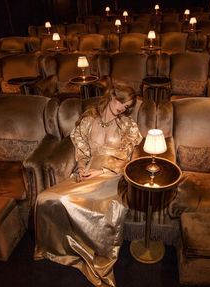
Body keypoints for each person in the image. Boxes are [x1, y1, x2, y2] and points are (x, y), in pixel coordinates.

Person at [34, 80, 142, 287]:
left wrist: (101, 170)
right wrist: (83, 167)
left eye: (127, 106)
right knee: (45, 198)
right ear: (111, 95)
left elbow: (128, 158)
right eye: (121, 102)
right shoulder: (88, 119)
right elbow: (81, 149)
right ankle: (57, 249)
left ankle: (90, 254)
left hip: (112, 174)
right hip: (87, 173)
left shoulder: (127, 125)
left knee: (74, 202)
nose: (122, 108)